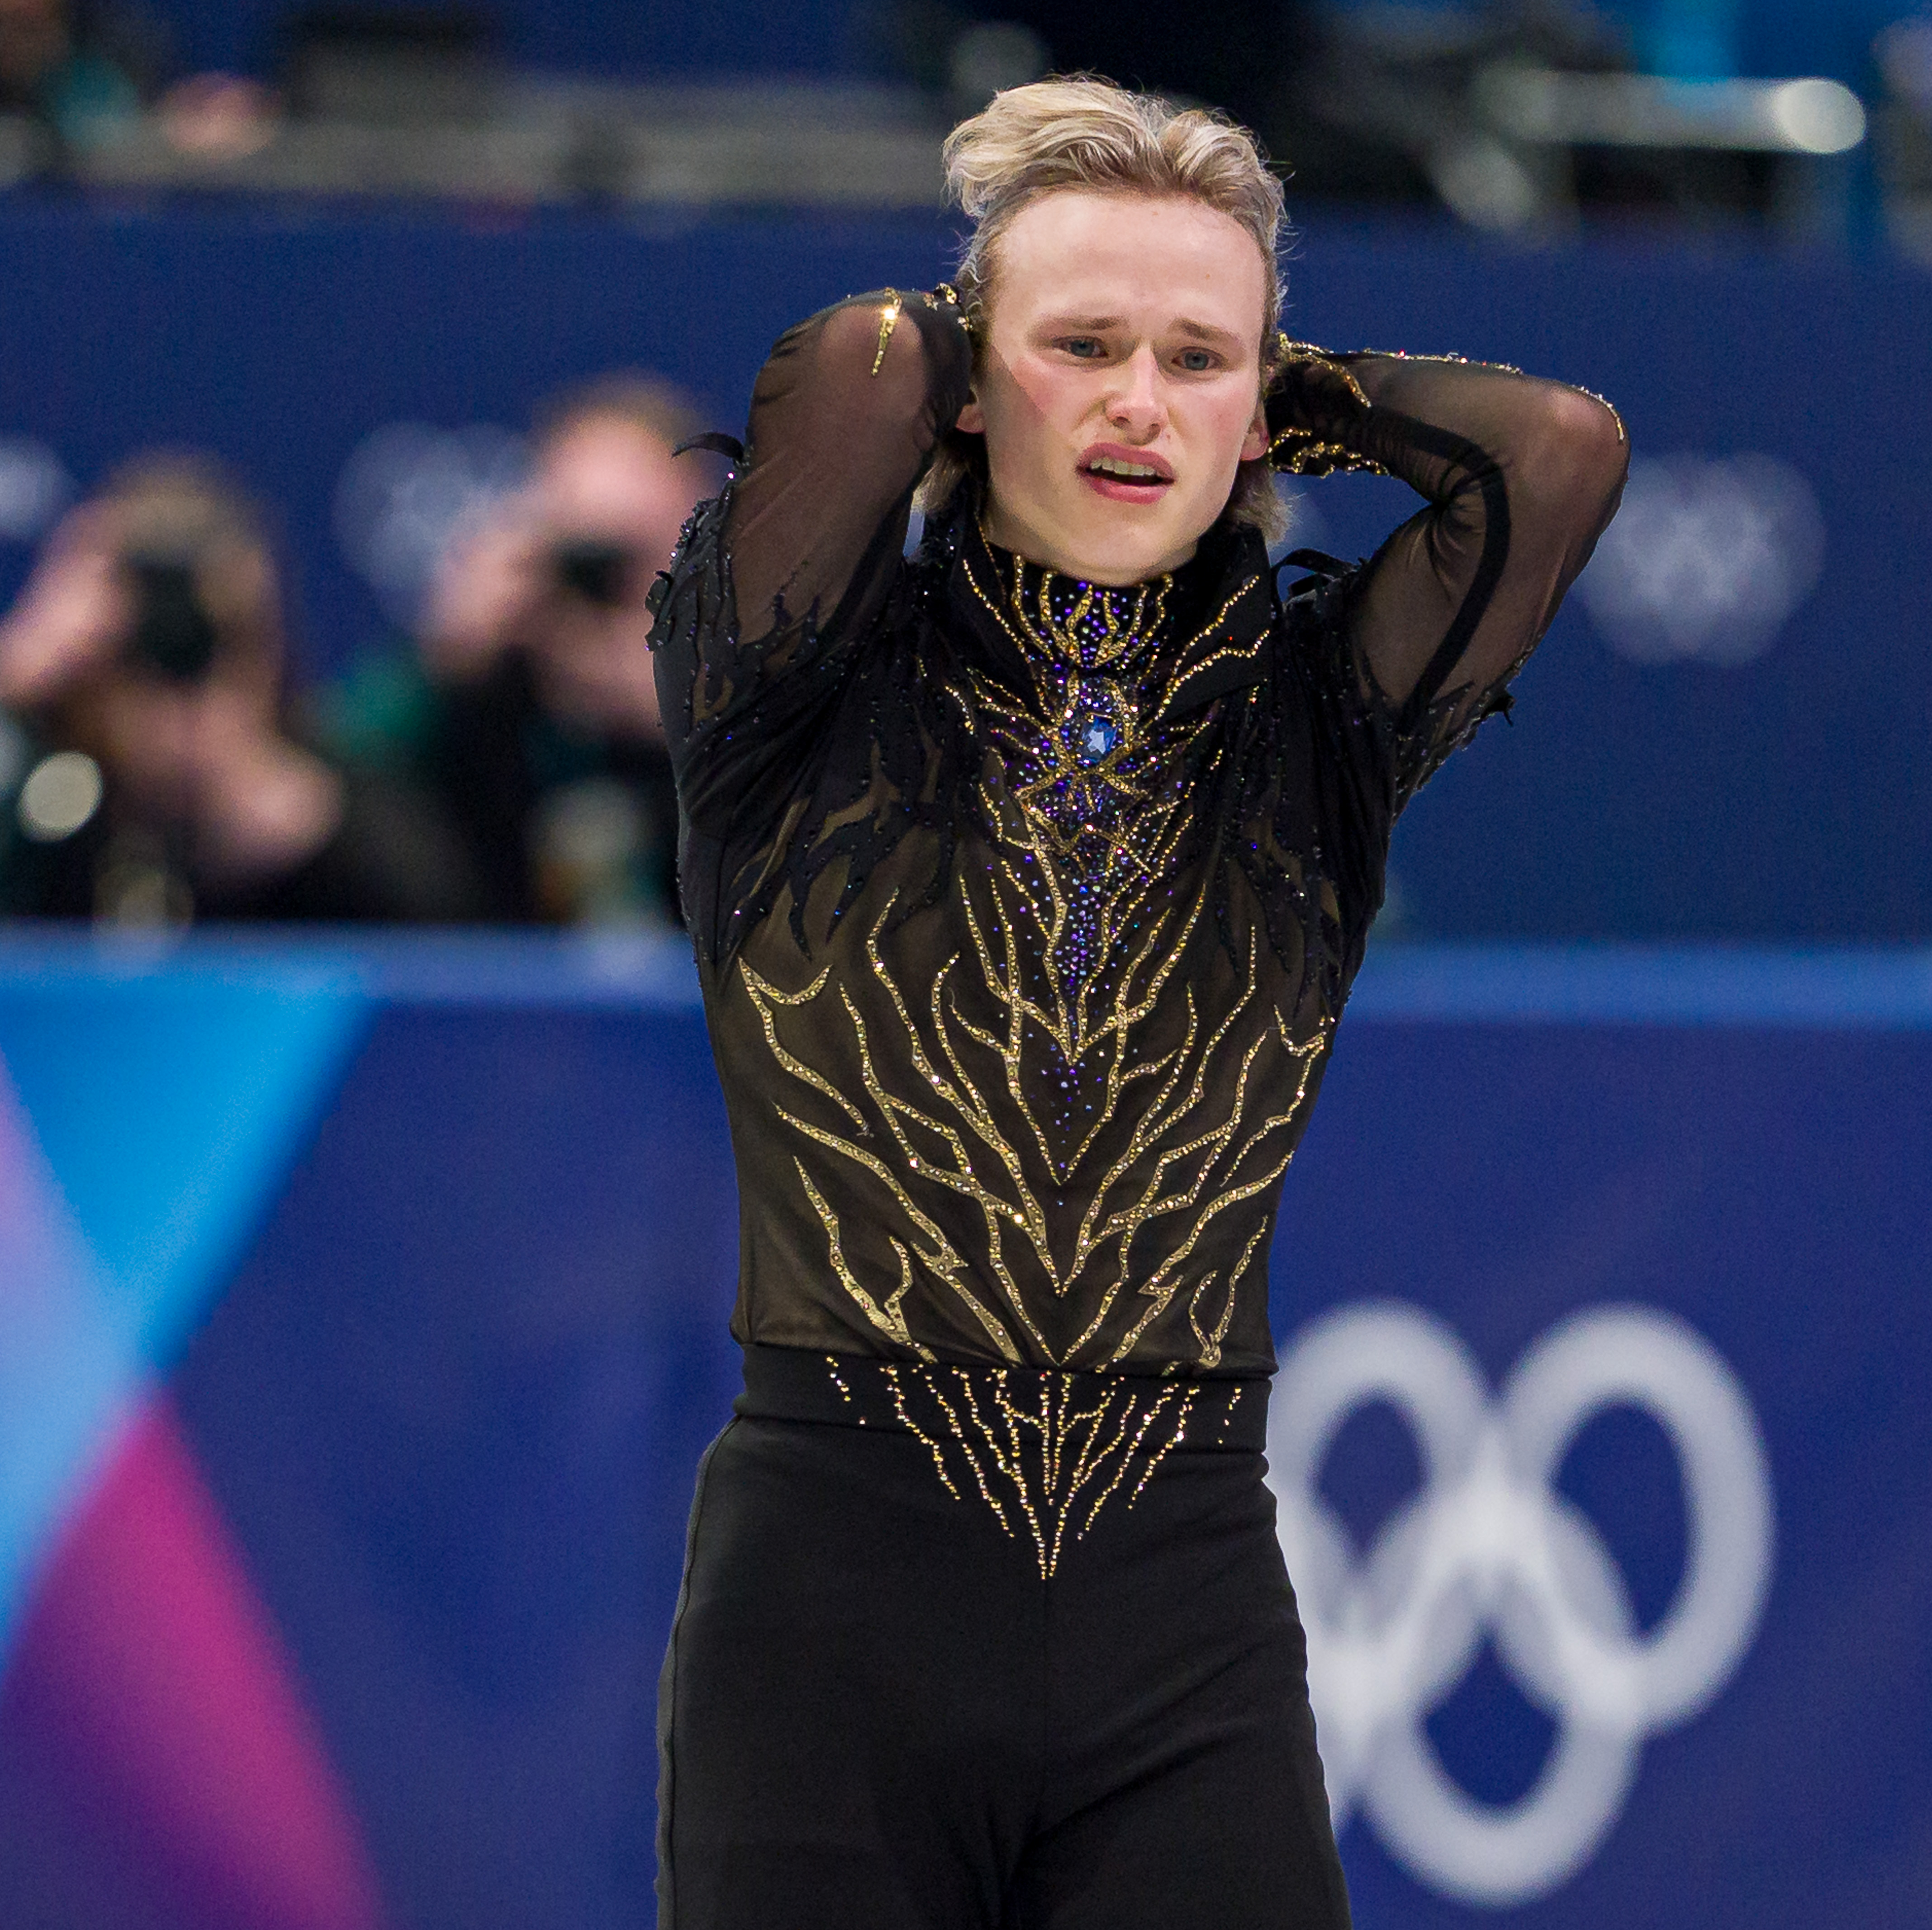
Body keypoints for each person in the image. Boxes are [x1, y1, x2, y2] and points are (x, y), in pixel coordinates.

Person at [646, 79, 1626, 1930]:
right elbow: (851, 368)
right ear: (967, 381)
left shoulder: (1314, 722)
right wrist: (1002, 305)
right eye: (1078, 348)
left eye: (1194, 362)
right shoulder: (785, 692)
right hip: (831, 1598)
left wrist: (1276, 374)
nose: (1135, 402)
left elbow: (1556, 452)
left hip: (1179, 1595)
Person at [0, 453, 475, 926]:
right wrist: (1, 680)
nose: (174, 667)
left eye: (217, 640)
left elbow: (457, 969)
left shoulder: (349, 801)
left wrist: (266, 809)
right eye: (140, 645)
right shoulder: (36, 808)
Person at [358, 377, 710, 925]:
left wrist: (693, 712)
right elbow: (326, 797)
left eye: (633, 556)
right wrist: (440, 666)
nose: (602, 590)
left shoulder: (757, 704)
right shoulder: (477, 697)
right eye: (579, 554)